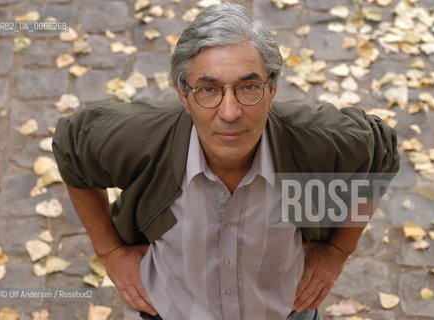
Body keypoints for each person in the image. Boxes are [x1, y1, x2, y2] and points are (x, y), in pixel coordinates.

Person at [52, 3, 399, 320]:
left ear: (273, 89)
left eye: (248, 87)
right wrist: (110, 252)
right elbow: (71, 147)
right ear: (183, 95)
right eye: (208, 89)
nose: (230, 112)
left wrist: (338, 250)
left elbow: (381, 157)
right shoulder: (136, 139)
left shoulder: (320, 139)